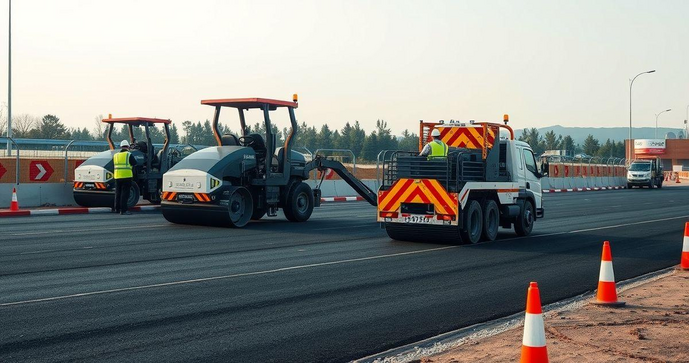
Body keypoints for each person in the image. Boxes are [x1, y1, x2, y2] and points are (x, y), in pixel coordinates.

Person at [113, 140, 137, 215]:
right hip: (126, 176)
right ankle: (123, 210)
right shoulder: (128, 154)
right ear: (128, 147)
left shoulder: (116, 155)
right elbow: (134, 163)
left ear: (121, 147)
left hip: (117, 176)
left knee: (118, 193)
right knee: (125, 194)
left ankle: (117, 209)